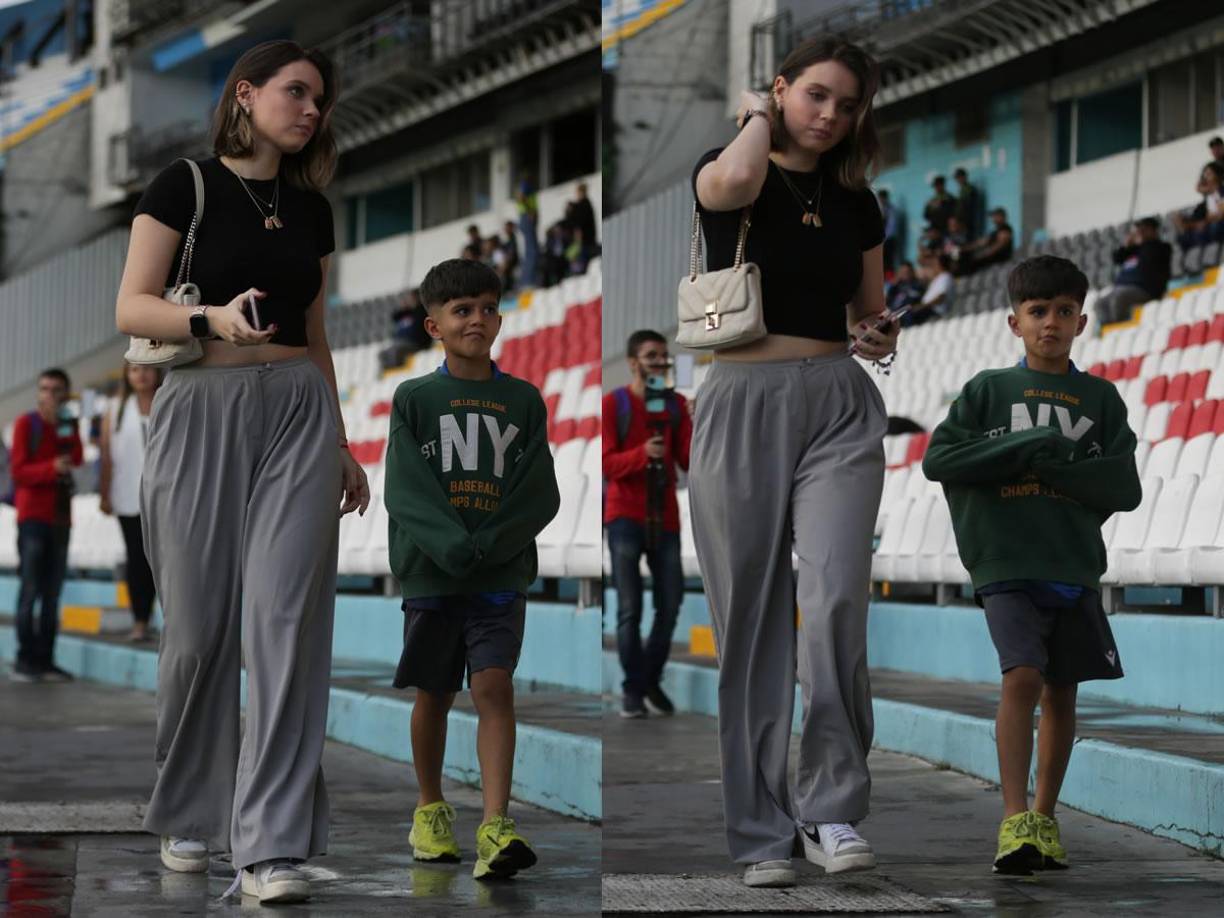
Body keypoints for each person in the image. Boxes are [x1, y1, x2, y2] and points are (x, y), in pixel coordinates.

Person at [114, 40, 370, 904]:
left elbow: (320, 332)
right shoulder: (182, 185)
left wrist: (338, 437)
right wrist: (210, 320)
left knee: (290, 624)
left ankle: (271, 845)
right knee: (196, 635)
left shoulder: (312, 209)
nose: (310, 110)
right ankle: (192, 809)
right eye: (296, 92)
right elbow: (132, 304)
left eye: (320, 100)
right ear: (245, 94)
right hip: (199, 411)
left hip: (298, 410)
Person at [690, 36, 897, 889]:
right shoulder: (728, 165)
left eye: (848, 106)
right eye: (816, 96)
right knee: (749, 623)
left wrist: (880, 333)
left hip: (839, 403)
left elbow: (872, 308)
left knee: (838, 595)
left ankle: (831, 805)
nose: (831, 116)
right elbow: (734, 185)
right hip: (741, 401)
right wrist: (754, 116)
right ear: (781, 91)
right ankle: (761, 830)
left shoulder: (858, 200)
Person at [923, 255, 1140, 876]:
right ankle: (1013, 819)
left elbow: (1122, 485)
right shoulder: (989, 390)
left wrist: (1044, 466)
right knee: (1021, 676)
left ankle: (1045, 821)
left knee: (1062, 691)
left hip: (1071, 564)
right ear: (1013, 322)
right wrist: (1030, 448)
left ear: (1082, 320)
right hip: (1006, 560)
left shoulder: (1100, 397)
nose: (1052, 322)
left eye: (1064, 312)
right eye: (1039, 311)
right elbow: (941, 460)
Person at [384, 258, 560, 881]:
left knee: (493, 687)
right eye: (462, 311)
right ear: (433, 324)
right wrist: (453, 546)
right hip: (433, 574)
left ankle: (495, 825)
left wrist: (489, 544)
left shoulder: (523, 399)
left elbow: (540, 492)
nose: (477, 320)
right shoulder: (414, 398)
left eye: (487, 307)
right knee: (435, 693)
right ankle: (430, 811)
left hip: (498, 574)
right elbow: (404, 490)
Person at [602, 330, 693, 719]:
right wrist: (641, 455)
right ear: (633, 362)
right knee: (629, 608)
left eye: (664, 355)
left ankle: (645, 680)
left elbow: (689, 462)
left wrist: (696, 421)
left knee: (670, 603)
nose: (660, 361)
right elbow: (606, 464)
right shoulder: (614, 403)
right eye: (652, 355)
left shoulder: (673, 403)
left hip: (665, 516)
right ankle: (633, 690)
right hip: (624, 514)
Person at [8, 368, 82, 683]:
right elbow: (18, 471)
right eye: (44, 389)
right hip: (33, 517)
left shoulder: (65, 424)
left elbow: (76, 457)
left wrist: (64, 427)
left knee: (52, 593)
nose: (49, 395)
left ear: (65, 393)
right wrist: (50, 469)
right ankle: (25, 659)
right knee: (30, 590)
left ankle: (46, 659)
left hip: (61, 517)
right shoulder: (27, 424)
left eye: (56, 389)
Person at [98, 362, 164, 643]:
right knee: (137, 560)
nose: (141, 375)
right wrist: (104, 493)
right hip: (128, 496)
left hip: (165, 496)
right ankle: (140, 620)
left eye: (147, 369)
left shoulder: (170, 400)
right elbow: (106, 456)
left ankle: (172, 624)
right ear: (126, 374)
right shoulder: (114, 409)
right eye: (135, 369)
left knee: (167, 562)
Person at [1094, 218, 1172, 326]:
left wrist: (1142, 243)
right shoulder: (1134, 249)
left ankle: (1117, 328)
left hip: (1145, 289)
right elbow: (1117, 258)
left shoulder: (1161, 247)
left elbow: (1151, 256)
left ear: (1153, 231)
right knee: (1099, 303)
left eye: (1144, 230)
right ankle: (1108, 329)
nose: (1140, 233)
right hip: (1122, 288)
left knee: (1119, 298)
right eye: (1139, 230)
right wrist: (1127, 246)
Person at [1172, 161, 1224, 249]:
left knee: (1212, 228)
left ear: (1218, 175)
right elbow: (1209, 216)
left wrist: (1202, 223)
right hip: (1209, 225)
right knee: (1182, 238)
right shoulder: (1210, 197)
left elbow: (1220, 214)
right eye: (1204, 175)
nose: (1206, 178)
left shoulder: (1221, 191)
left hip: (1218, 225)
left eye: (1209, 174)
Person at [959, 207, 1014, 272]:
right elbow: (980, 242)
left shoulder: (1006, 230)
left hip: (998, 260)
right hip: (990, 258)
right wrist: (963, 248)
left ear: (1002, 217)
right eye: (993, 216)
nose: (993, 218)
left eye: (996, 216)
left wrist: (982, 255)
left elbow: (998, 246)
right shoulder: (995, 232)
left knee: (969, 263)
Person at [907, 254, 954, 326]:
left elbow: (941, 297)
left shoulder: (946, 277)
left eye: (935, 264)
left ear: (940, 265)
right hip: (928, 309)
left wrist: (922, 306)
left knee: (908, 316)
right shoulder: (939, 277)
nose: (933, 266)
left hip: (934, 311)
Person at [565, 181, 598, 264]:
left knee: (569, 255)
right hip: (583, 242)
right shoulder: (582, 205)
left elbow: (578, 222)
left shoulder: (584, 205)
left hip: (585, 243)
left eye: (578, 192)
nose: (576, 194)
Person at [515, 179, 539, 287]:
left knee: (531, 251)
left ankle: (527, 280)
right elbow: (521, 197)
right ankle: (528, 281)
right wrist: (530, 212)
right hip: (526, 219)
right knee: (532, 252)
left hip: (525, 219)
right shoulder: (526, 184)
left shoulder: (525, 185)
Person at [953, 168, 982, 238]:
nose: (958, 180)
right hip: (963, 222)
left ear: (964, 177)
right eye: (957, 178)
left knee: (969, 240)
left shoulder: (970, 189)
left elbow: (969, 208)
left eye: (959, 177)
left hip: (968, 222)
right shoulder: (962, 190)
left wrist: (963, 221)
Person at [878, 189, 899, 273]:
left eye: (882, 198)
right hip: (882, 240)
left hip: (889, 240)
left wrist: (884, 239)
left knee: (889, 262)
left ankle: (889, 281)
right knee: (882, 262)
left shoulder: (891, 210)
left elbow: (891, 227)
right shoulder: (881, 209)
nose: (881, 200)